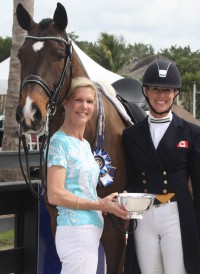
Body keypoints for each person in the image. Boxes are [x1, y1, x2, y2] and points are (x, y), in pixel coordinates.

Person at [122, 60, 200, 274]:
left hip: (176, 214)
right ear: (145, 91)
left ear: (175, 93)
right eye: (155, 89)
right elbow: (133, 179)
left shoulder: (191, 133)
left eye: (167, 90)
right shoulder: (131, 134)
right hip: (145, 215)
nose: (161, 95)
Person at [46, 77, 128, 274]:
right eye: (78, 100)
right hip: (75, 233)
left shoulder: (83, 144)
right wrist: (99, 205)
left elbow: (81, 192)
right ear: (65, 103)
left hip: (88, 231)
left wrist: (109, 204)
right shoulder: (59, 142)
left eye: (89, 101)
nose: (84, 106)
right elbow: (55, 195)